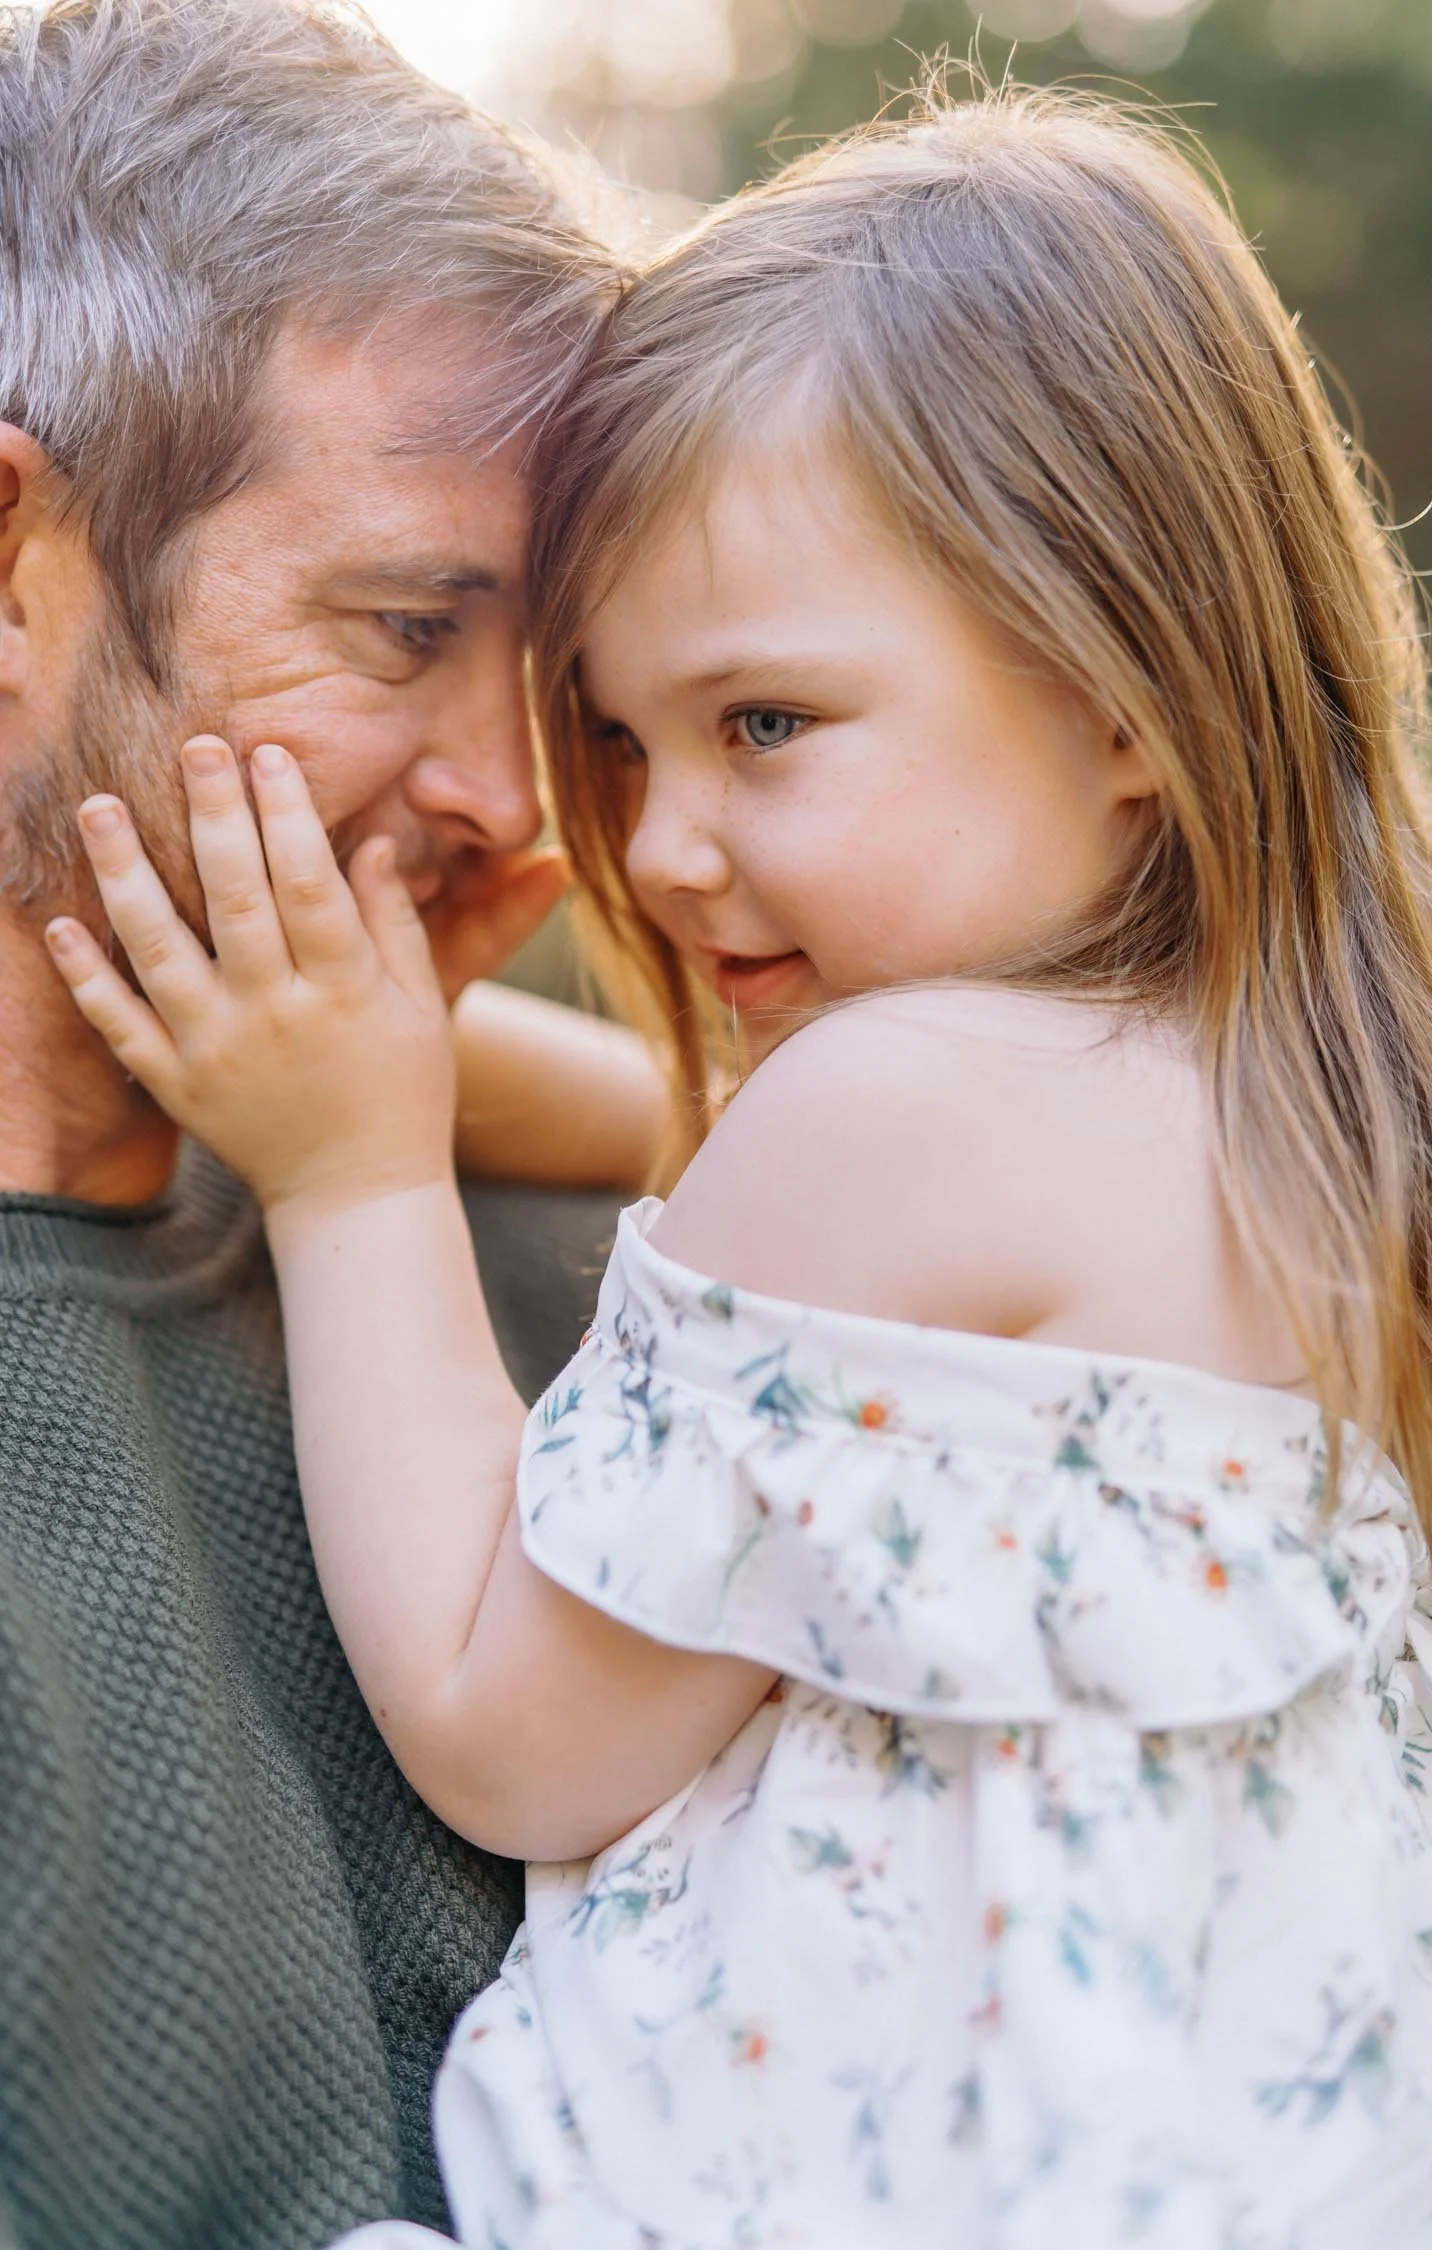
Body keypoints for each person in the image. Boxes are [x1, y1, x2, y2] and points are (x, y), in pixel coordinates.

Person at [52, 83, 1432, 2250]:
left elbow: (504, 1726)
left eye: (764, 726)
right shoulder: (1317, 1120)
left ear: (1125, 694)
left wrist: (350, 1179)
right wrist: (385, 1059)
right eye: (620, 737)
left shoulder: (887, 1118)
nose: (646, 848)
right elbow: (671, 1138)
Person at [0, 2, 666, 2244]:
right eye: (404, 629)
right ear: (15, 568)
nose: (520, 795)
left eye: (559, 669)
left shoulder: (600, 1277)